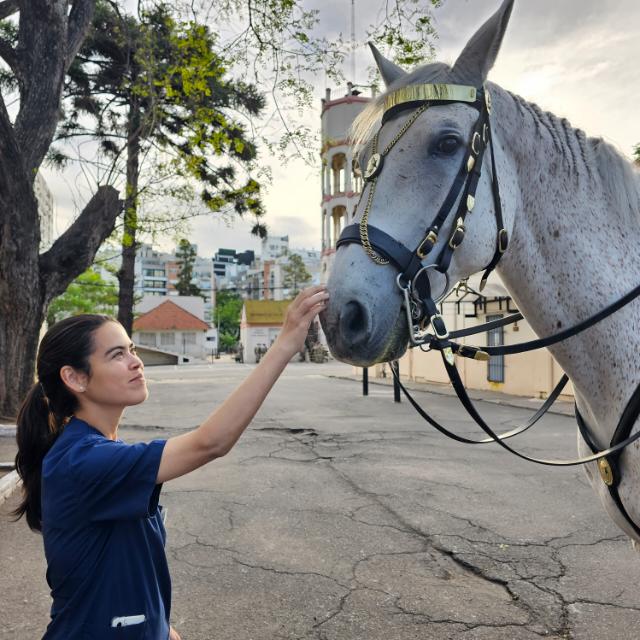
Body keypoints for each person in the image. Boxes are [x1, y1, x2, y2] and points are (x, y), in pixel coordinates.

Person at [12, 285, 329, 639]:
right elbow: (210, 443)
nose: (136, 361)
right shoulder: (83, 461)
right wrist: (285, 343)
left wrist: (164, 630)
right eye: (117, 355)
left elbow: (129, 568)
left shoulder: (98, 451)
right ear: (74, 378)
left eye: (131, 349)